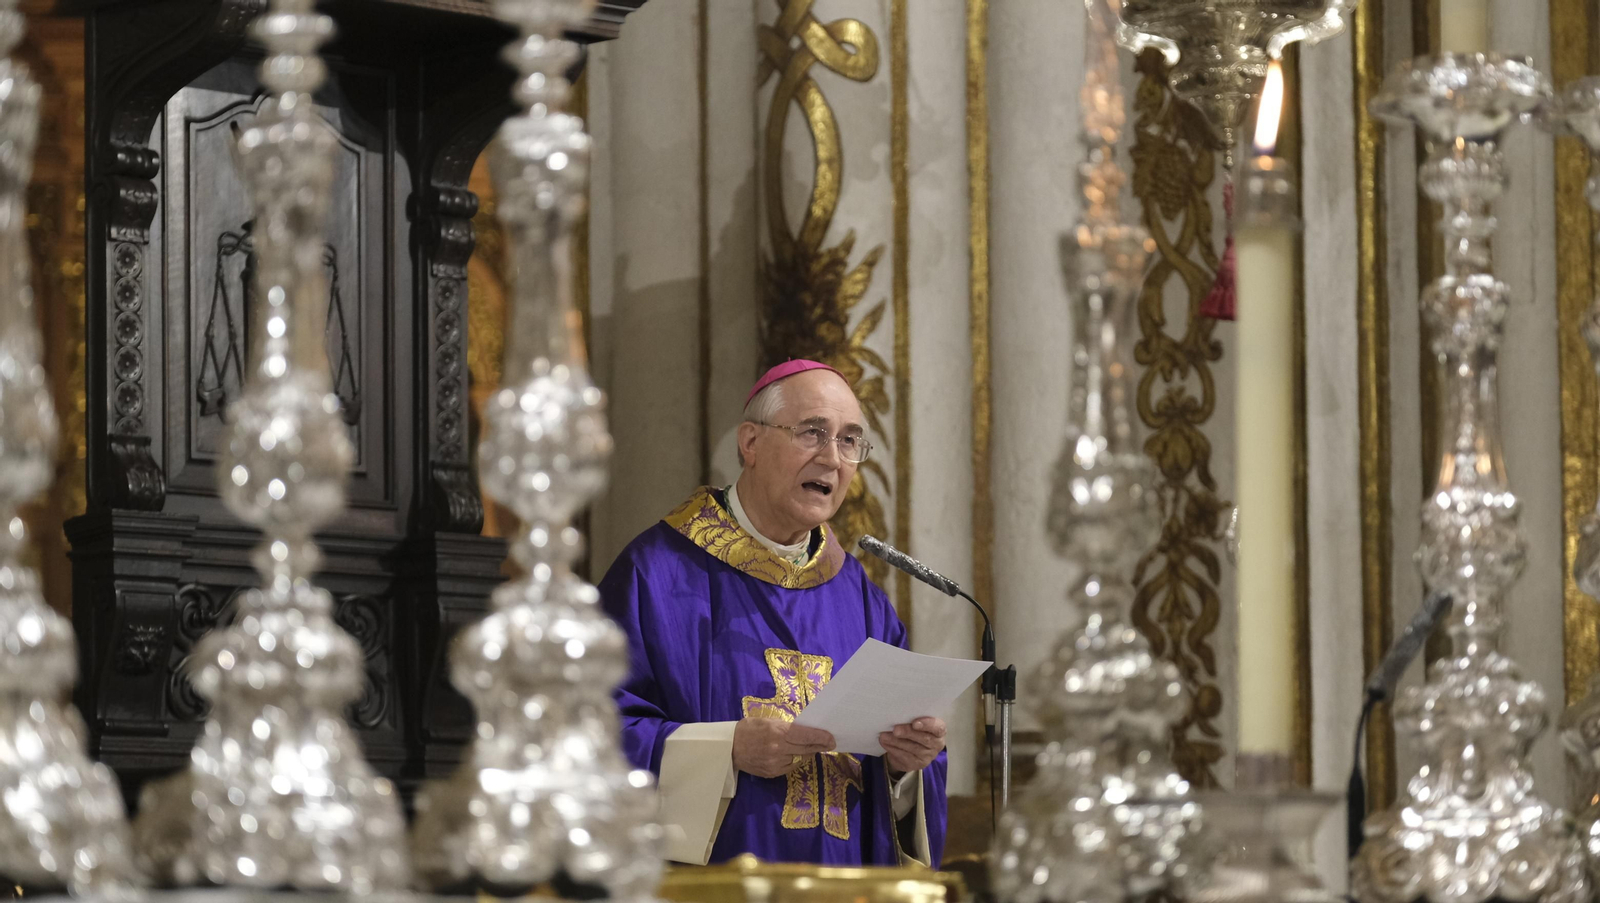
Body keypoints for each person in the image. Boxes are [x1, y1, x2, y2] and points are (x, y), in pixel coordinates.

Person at [600, 360, 948, 867]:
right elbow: (588, 734)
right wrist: (725, 751)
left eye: (850, 441)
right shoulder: (655, 575)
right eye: (812, 433)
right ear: (751, 444)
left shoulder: (863, 602)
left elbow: (896, 781)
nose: (832, 458)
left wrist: (905, 767)